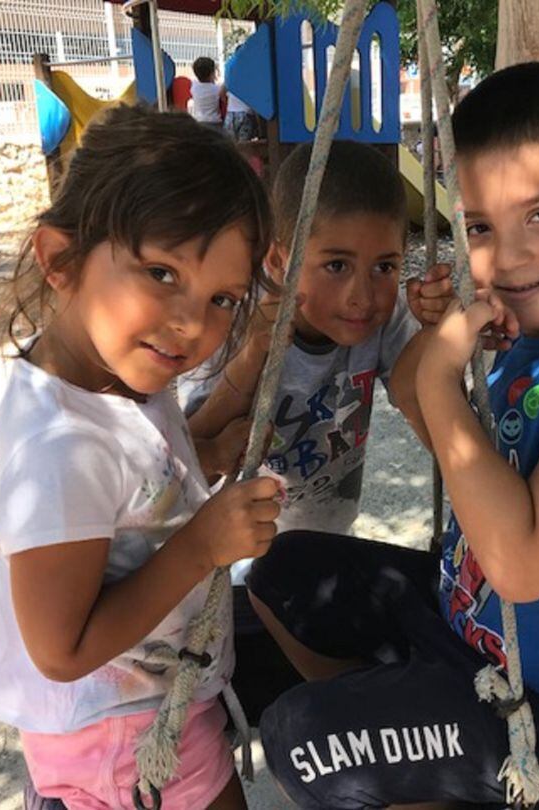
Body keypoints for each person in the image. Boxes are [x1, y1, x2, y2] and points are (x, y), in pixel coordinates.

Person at [247, 61, 539, 809]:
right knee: (284, 568)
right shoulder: (531, 332)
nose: (510, 256)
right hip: (467, 630)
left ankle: (436, 769)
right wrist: (436, 339)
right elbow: (437, 430)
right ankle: (423, 764)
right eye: (484, 228)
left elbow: (521, 566)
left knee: (303, 738)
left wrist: (436, 378)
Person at [0, 105, 281, 810]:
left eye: (222, 299)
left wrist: (205, 453)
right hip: (122, 741)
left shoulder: (123, 375)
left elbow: (136, 487)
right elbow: (62, 649)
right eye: (161, 272)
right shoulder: (58, 446)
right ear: (60, 258)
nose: (192, 325)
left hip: (143, 709)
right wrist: (203, 546)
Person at [180, 140, 453, 721]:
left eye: (384, 266)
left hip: (313, 565)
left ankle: (354, 720)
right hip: (226, 578)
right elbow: (187, 458)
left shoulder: (383, 319)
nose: (362, 294)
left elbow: (431, 422)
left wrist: (437, 332)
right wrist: (255, 352)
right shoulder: (238, 319)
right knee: (216, 705)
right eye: (336, 265)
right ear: (280, 262)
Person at [189, 56, 225, 129]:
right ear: (212, 73)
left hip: (199, 121)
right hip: (215, 122)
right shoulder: (217, 89)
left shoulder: (194, 87)